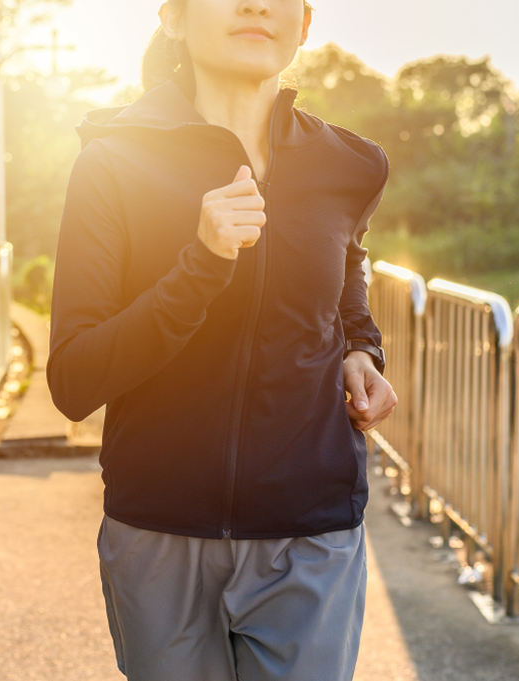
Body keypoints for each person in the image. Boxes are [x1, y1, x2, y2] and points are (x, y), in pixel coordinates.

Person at [46, 1, 398, 680]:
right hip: (158, 528)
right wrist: (202, 264)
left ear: (304, 23)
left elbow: (346, 261)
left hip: (311, 525)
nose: (255, 4)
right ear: (173, 18)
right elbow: (73, 380)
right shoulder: (112, 164)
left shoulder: (351, 166)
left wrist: (362, 347)